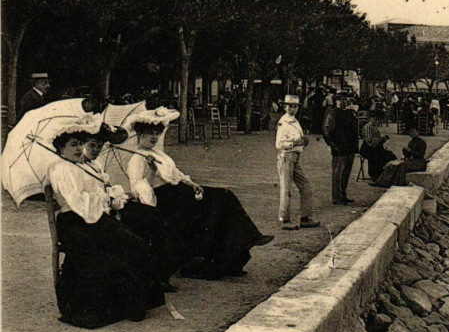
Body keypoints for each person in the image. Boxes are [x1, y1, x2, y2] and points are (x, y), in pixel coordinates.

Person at [126, 108, 271, 280]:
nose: (154, 137)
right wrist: (151, 172)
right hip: (166, 200)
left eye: (157, 133)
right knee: (217, 204)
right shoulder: (137, 158)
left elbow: (176, 174)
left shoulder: (159, 154)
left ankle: (242, 246)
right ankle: (216, 260)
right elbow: (139, 190)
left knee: (224, 195)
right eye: (150, 133)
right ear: (139, 134)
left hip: (180, 193)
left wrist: (192, 184)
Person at [47, 116, 164, 328]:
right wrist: (104, 198)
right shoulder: (61, 169)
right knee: (123, 245)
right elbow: (78, 202)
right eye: (73, 145)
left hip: (93, 217)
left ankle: (134, 302)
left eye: (80, 144)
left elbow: (95, 196)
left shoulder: (85, 165)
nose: (78, 149)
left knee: (134, 242)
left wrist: (108, 194)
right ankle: (124, 304)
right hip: (75, 222)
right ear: (61, 148)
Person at [80, 124, 191, 292]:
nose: (96, 150)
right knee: (148, 220)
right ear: (82, 145)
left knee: (152, 214)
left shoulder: (96, 164)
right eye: (92, 146)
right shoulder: (75, 168)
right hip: (96, 213)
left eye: (99, 146)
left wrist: (113, 191)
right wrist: (107, 198)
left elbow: (106, 187)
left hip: (112, 205)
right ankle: (156, 274)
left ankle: (165, 269)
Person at [275, 95, 320, 231]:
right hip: (286, 157)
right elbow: (279, 144)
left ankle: (305, 217)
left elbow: (299, 138)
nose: (292, 109)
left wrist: (304, 140)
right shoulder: (283, 122)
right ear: (284, 107)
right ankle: (285, 219)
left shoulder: (294, 121)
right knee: (286, 188)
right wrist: (296, 142)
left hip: (295, 158)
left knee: (305, 186)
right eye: (289, 106)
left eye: (294, 106)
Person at [323, 91, 359, 205]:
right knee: (338, 174)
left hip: (350, 147)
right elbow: (327, 131)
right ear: (336, 101)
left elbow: (355, 130)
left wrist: (355, 146)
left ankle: (343, 195)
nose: (343, 102)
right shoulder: (333, 113)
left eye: (345, 100)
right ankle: (337, 197)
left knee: (346, 174)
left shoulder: (350, 113)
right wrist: (333, 145)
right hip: (339, 148)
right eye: (340, 100)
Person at [360, 111, 397, 180]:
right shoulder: (368, 126)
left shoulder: (373, 126)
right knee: (378, 156)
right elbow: (369, 141)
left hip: (374, 147)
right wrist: (380, 139)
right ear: (371, 118)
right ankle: (375, 174)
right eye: (375, 119)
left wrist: (383, 139)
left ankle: (384, 174)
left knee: (389, 155)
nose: (376, 121)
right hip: (368, 148)